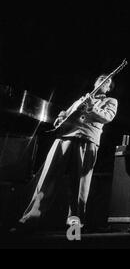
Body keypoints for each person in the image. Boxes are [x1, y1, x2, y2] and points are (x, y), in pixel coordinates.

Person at [14, 75, 118, 231]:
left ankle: (74, 228)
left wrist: (92, 106)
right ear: (96, 82)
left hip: (87, 139)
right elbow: (67, 113)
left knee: (80, 187)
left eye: (108, 81)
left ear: (108, 88)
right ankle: (29, 222)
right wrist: (60, 117)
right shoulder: (81, 98)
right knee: (47, 179)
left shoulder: (111, 101)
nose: (104, 81)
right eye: (102, 79)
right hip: (64, 137)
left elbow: (107, 117)